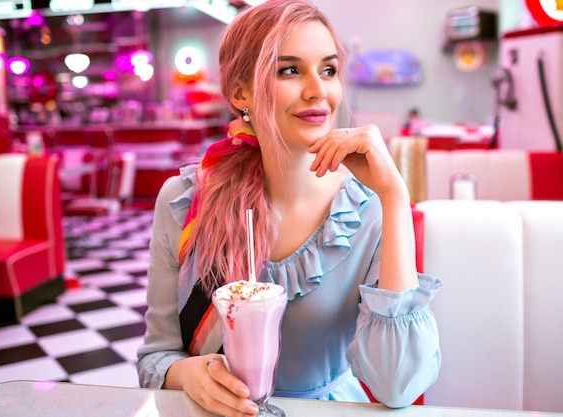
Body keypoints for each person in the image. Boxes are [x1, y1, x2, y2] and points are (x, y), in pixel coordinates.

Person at [137, 1, 442, 416]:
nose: (319, 90)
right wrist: (191, 374)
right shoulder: (187, 203)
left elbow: (398, 385)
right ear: (240, 92)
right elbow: (156, 359)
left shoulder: (366, 211)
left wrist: (395, 196)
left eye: (329, 70)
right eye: (290, 70)